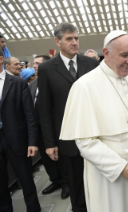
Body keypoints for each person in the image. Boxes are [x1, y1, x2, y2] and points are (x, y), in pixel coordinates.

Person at [59, 30, 128, 212]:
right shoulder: (84, 86)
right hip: (113, 172)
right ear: (106, 53)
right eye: (124, 55)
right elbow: (85, 142)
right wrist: (120, 167)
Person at [38, 22, 99, 212]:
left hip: (95, 133)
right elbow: (45, 109)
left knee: (98, 178)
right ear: (57, 41)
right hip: (67, 137)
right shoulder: (47, 68)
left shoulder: (91, 64)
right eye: (69, 39)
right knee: (75, 181)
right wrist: (49, 143)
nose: (74, 42)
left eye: (76, 38)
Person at [0, 48, 41, 212]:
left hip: (17, 138)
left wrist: (32, 142)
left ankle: (33, 209)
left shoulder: (18, 83)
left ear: (1, 59)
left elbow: (29, 115)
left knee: (25, 179)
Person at [29, 54, 70, 199]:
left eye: (37, 63)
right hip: (40, 129)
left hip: (55, 126)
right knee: (47, 159)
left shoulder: (55, 80)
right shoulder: (33, 84)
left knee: (61, 157)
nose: (34, 66)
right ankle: (55, 180)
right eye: (33, 63)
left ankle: (67, 183)